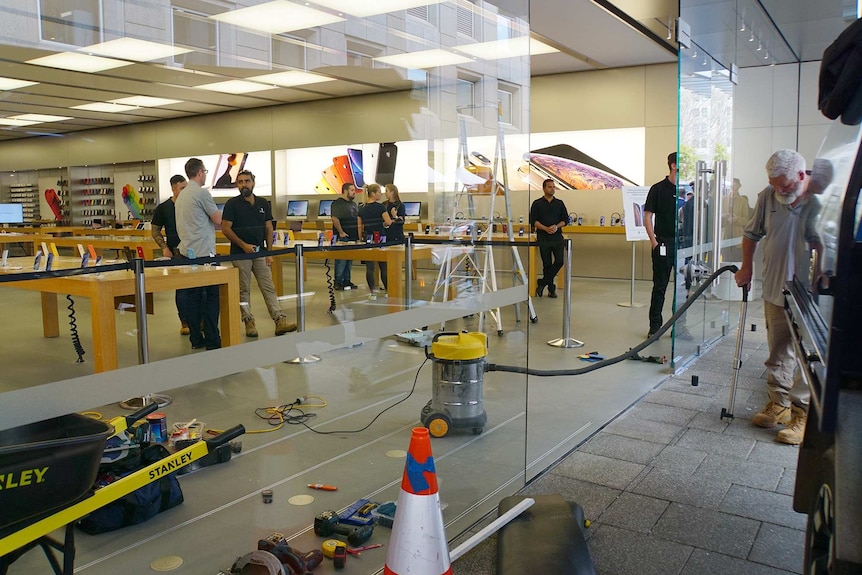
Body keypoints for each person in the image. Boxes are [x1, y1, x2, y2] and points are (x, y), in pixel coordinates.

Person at [735, 149, 821, 445]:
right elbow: (751, 234)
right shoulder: (768, 196)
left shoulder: (821, 198)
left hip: (811, 297)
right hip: (775, 288)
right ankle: (779, 404)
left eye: (783, 185)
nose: (778, 190)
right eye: (773, 183)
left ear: (800, 176)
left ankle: (802, 414)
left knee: (807, 356)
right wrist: (746, 267)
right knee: (777, 351)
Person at [221, 170, 297, 338]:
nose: (243, 184)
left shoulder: (263, 203)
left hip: (260, 252)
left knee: (268, 286)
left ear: (253, 183)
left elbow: (269, 228)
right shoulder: (232, 204)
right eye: (240, 182)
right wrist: (243, 245)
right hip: (240, 254)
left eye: (246, 181)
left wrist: (269, 252)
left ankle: (279, 319)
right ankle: (248, 321)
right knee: (243, 289)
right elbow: (226, 228)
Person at [175, 158, 221, 350]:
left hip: (187, 252)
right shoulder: (202, 193)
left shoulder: (181, 196)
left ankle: (196, 338)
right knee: (211, 297)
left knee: (193, 297)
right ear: (200, 172)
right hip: (205, 253)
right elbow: (217, 219)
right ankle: (212, 339)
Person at [644, 152, 679, 337]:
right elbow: (647, 216)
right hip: (663, 243)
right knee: (660, 286)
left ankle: (679, 326)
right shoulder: (658, 189)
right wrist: (654, 241)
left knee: (682, 289)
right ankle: (655, 327)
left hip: (683, 245)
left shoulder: (686, 190)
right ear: (673, 165)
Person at [151, 174, 189, 334]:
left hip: (194, 251)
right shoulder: (164, 208)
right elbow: (155, 230)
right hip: (176, 252)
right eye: (182, 188)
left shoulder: (190, 204)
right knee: (181, 289)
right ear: (173, 188)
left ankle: (199, 320)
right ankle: (185, 322)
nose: (185, 191)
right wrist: (164, 247)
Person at [529, 178, 569, 298]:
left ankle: (542, 282)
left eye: (553, 187)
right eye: (550, 187)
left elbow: (565, 220)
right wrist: (545, 228)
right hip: (543, 237)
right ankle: (551, 290)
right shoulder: (537, 203)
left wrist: (556, 227)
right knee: (547, 264)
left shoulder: (560, 203)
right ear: (544, 188)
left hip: (557, 237)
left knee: (559, 261)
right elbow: (533, 221)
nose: (552, 189)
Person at [358, 183, 393, 294]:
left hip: (368, 239)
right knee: (383, 266)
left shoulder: (361, 208)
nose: (381, 194)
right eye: (379, 192)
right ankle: (388, 290)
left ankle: (372, 290)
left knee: (370, 267)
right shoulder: (380, 207)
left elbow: (359, 226)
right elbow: (388, 222)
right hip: (380, 238)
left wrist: (360, 239)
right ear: (373, 194)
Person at [331, 182, 359, 290]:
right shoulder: (337, 204)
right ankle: (338, 281)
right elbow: (335, 218)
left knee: (349, 259)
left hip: (352, 236)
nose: (354, 193)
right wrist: (341, 232)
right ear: (345, 191)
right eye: (352, 190)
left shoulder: (353, 204)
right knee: (341, 259)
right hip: (342, 236)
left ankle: (347, 280)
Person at [722, 178, 752, 261]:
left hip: (737, 238)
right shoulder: (723, 200)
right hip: (725, 236)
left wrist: (736, 219)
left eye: (735, 185)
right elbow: (717, 217)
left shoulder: (743, 201)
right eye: (732, 185)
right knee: (725, 260)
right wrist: (724, 216)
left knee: (737, 260)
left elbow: (746, 220)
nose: (733, 187)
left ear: (739, 186)